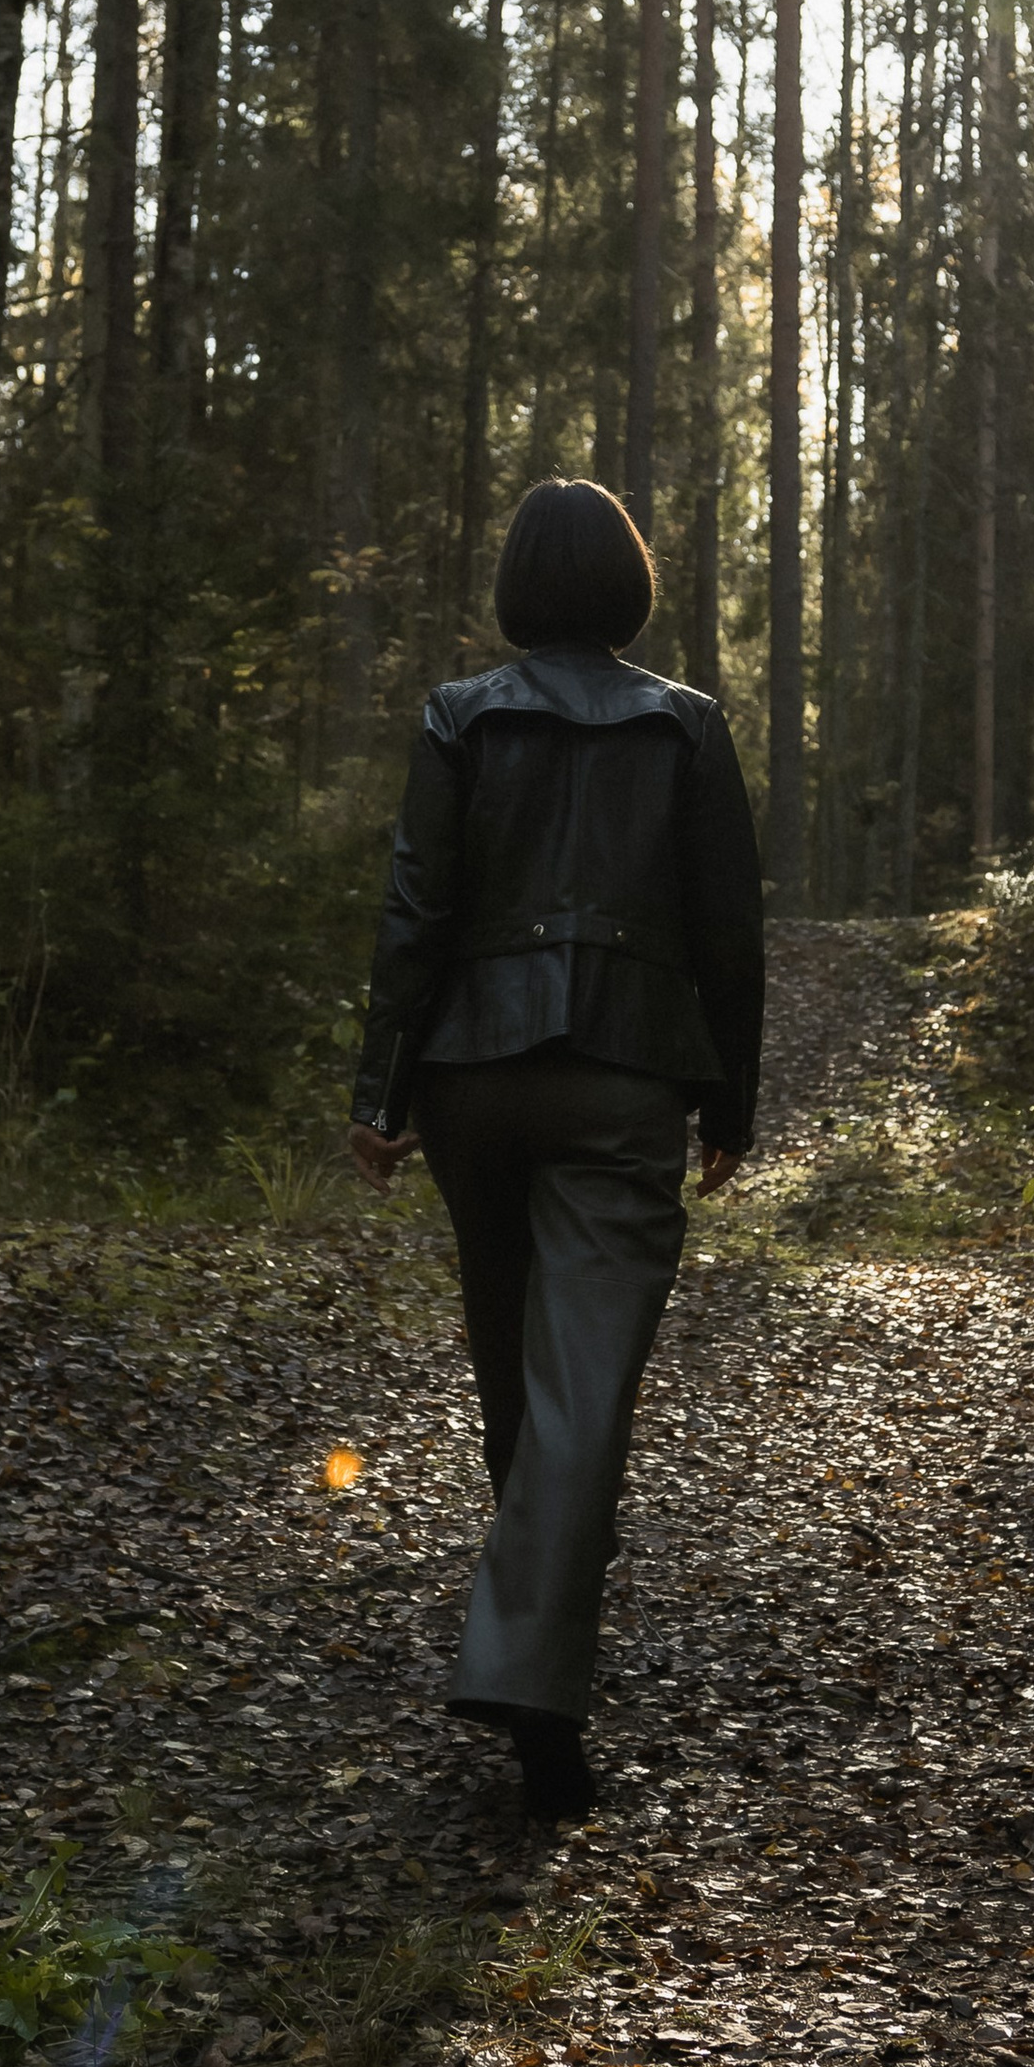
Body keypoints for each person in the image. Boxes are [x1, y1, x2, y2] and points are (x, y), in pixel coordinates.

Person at [348, 478, 767, 1823]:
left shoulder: (461, 714)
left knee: (515, 1370)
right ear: (630, 586)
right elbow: (728, 929)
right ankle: (535, 1690)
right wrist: (734, 1102)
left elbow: (419, 908)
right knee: (579, 1385)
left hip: (476, 1078)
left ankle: (530, 1677)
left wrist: (383, 1088)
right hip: (626, 1082)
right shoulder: (685, 726)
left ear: (521, 585)